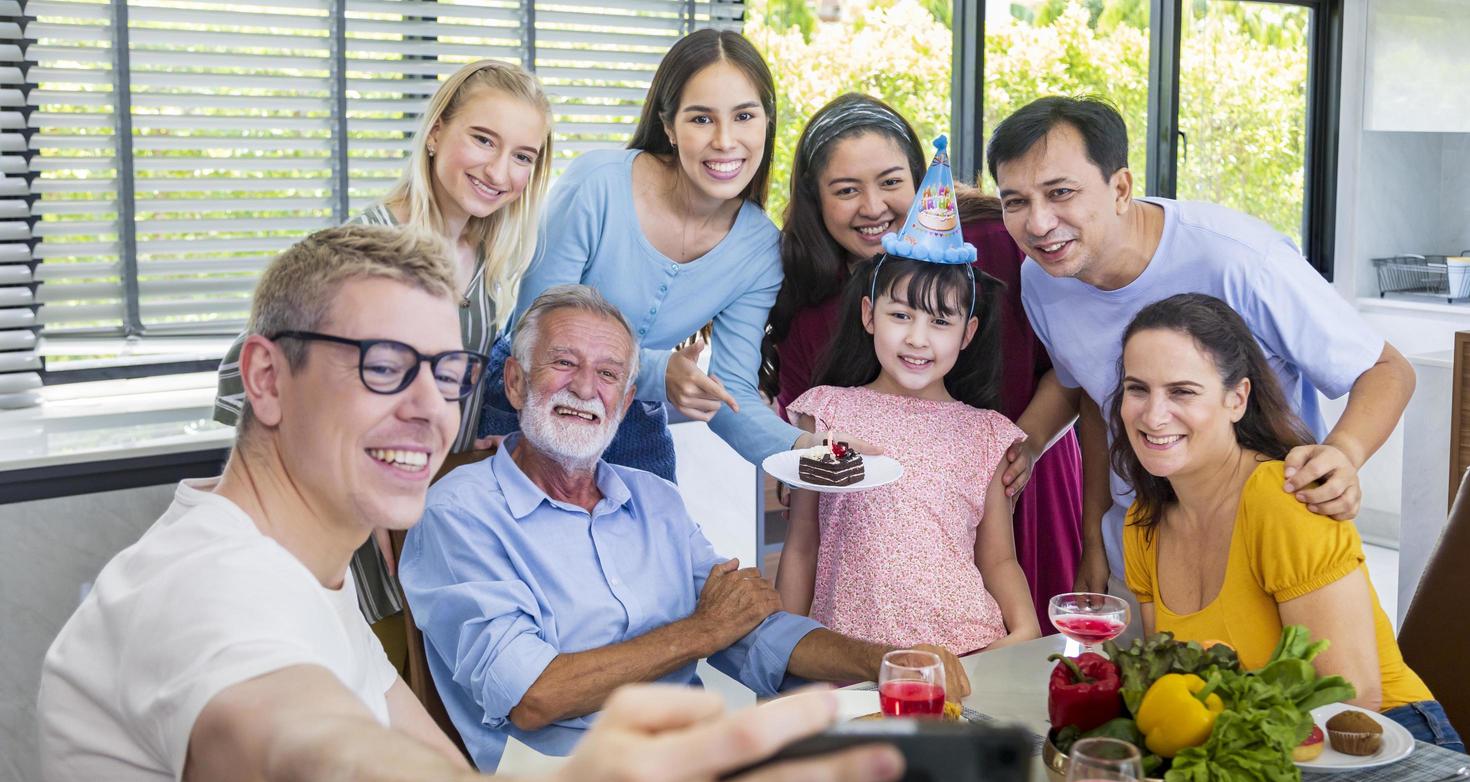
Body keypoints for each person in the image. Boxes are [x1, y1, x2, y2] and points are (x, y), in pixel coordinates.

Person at [37, 225, 913, 782]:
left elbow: (429, 762)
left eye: (445, 372)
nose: (429, 409)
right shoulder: (200, 590)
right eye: (383, 367)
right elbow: (312, 780)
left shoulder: (313, 579)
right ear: (266, 379)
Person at [399, 284, 970, 772]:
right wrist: (703, 630)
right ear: (518, 384)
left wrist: (886, 661)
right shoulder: (459, 513)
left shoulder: (654, 500)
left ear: (624, 403)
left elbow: (752, 633)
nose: (583, 388)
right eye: (564, 363)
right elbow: (534, 695)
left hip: (697, 775)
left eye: (607, 374)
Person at [987, 96, 1416, 597]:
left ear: (1120, 188)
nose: (1038, 224)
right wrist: (1086, 527)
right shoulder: (1043, 278)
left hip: (1266, 534)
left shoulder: (1239, 260)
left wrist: (1343, 454)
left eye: (1060, 192)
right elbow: (1088, 393)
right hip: (1140, 544)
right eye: (1015, 201)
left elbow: (1387, 369)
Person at [212, 59, 555, 657]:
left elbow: (432, 393)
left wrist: (467, 447)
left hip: (422, 524)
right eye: (483, 139)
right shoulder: (365, 249)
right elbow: (242, 383)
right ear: (435, 132)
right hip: (346, 539)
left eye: (523, 156)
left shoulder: (487, 264)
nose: (500, 171)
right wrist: (359, 484)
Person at [762, 93, 1082, 627]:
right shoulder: (806, 298)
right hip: (869, 554)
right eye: (846, 190)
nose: (873, 207)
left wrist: (1018, 447)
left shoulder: (993, 247)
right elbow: (809, 515)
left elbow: (1072, 369)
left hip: (1018, 474)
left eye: (891, 182)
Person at [477, 30, 849, 480]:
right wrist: (658, 370)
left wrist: (811, 453)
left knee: (653, 540)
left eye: (745, 116)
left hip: (630, 411)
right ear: (669, 126)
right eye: (701, 119)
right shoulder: (597, 186)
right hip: (529, 397)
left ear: (767, 122)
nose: (726, 141)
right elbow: (535, 333)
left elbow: (731, 396)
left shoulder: (760, 251)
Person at [1111, 293, 1460, 751]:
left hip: (1385, 741)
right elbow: (1176, 680)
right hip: (1263, 747)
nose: (1154, 415)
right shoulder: (1144, 522)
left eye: (1182, 391)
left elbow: (1351, 699)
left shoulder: (1282, 497)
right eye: (1138, 388)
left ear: (1237, 399)